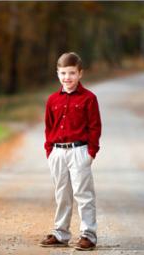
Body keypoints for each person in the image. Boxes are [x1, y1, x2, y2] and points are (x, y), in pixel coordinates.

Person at [41, 52, 101, 251]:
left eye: (72, 73)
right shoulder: (52, 100)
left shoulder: (89, 99)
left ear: (80, 73)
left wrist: (91, 152)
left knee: (83, 194)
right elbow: (49, 127)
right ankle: (61, 232)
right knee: (62, 194)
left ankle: (88, 235)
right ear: (57, 74)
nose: (67, 77)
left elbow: (94, 127)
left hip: (79, 151)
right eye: (63, 73)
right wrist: (49, 150)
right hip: (58, 152)